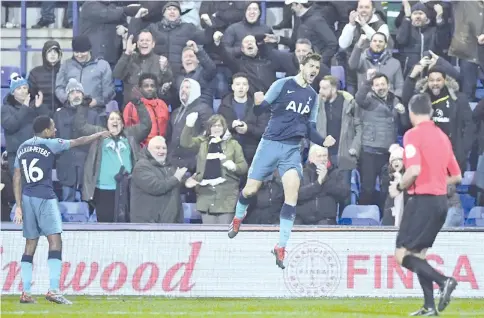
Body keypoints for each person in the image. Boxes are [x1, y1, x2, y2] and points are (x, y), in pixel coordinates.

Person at [228, 53, 325, 269]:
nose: (314, 71)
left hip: (292, 149)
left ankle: (281, 246)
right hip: (270, 145)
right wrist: (258, 102)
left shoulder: (313, 96)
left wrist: (322, 140)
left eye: (317, 68)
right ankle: (238, 217)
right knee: (250, 190)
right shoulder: (282, 84)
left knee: (292, 196)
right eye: (311, 66)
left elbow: (310, 127)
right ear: (302, 66)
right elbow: (261, 110)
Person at [12, 115, 109, 304]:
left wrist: (18, 206)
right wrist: (98, 135)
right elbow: (78, 141)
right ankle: (54, 290)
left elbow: (17, 177)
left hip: (27, 198)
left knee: (30, 244)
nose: (55, 130)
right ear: (46, 131)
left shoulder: (22, 147)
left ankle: (25, 292)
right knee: (55, 241)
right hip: (45, 198)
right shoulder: (50, 143)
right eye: (53, 128)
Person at [389, 93, 461, 316]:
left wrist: (399, 187)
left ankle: (444, 280)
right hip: (441, 203)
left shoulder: (412, 135)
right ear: (430, 112)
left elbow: (414, 170)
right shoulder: (442, 136)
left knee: (401, 255)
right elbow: (457, 176)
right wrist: (437, 181)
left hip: (422, 201)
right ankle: (429, 306)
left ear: (411, 112)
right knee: (419, 256)